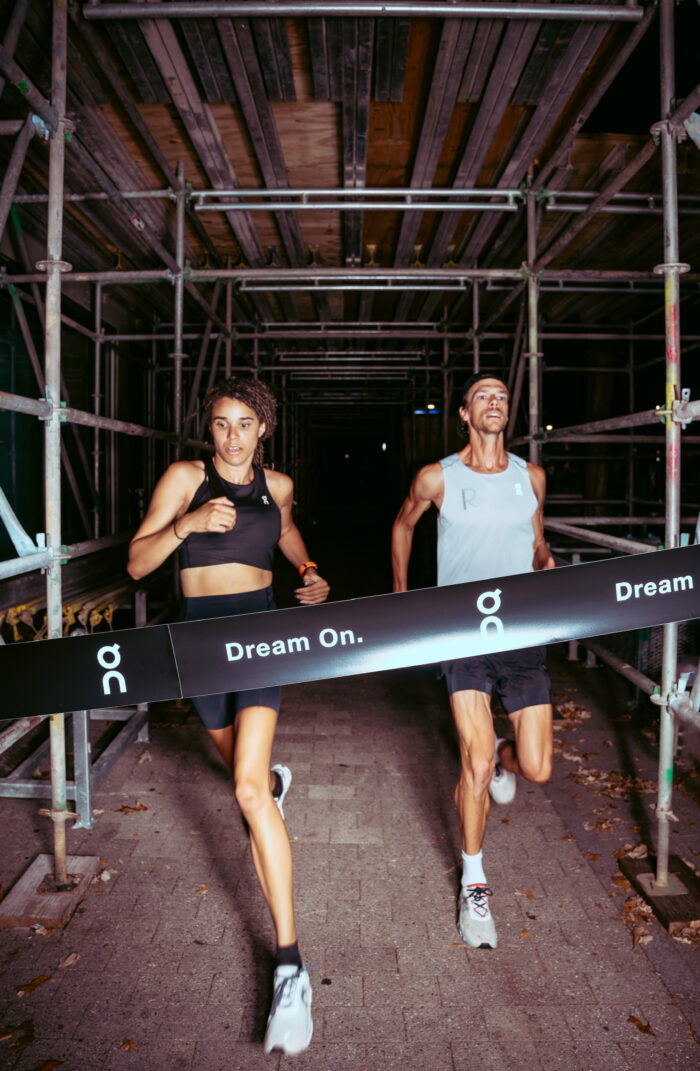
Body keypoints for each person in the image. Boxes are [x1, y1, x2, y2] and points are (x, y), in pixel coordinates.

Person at [127, 375, 328, 1054]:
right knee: (249, 786)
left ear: (264, 427)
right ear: (208, 430)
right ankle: (273, 788)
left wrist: (309, 571)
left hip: (263, 634)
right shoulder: (185, 477)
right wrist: (186, 523)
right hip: (200, 645)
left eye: (246, 423)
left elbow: (290, 534)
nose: (234, 435)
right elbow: (135, 563)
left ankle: (292, 964)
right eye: (222, 423)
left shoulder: (279, 484)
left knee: (243, 788)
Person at [391, 373, 555, 949]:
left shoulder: (529, 477)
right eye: (483, 395)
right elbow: (402, 526)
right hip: (461, 634)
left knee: (536, 768)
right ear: (463, 412)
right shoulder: (438, 477)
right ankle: (475, 881)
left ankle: (508, 760)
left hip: (523, 634)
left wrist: (549, 566)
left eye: (502, 396)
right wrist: (405, 595)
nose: (494, 402)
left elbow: (537, 546)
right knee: (476, 765)